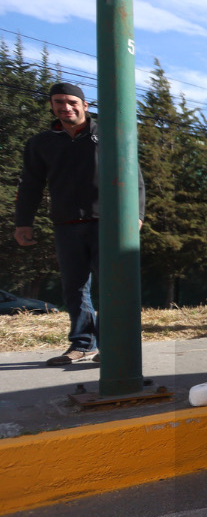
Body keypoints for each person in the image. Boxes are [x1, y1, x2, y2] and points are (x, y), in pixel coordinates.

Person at [14, 82, 144, 366]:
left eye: (72, 102)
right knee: (74, 288)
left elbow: (133, 177)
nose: (66, 107)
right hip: (66, 225)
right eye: (59, 102)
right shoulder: (41, 143)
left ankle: (112, 346)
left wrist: (136, 214)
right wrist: (23, 222)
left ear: (85, 105)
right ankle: (83, 344)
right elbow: (30, 186)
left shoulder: (110, 135)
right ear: (51, 106)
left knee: (112, 286)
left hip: (108, 224)